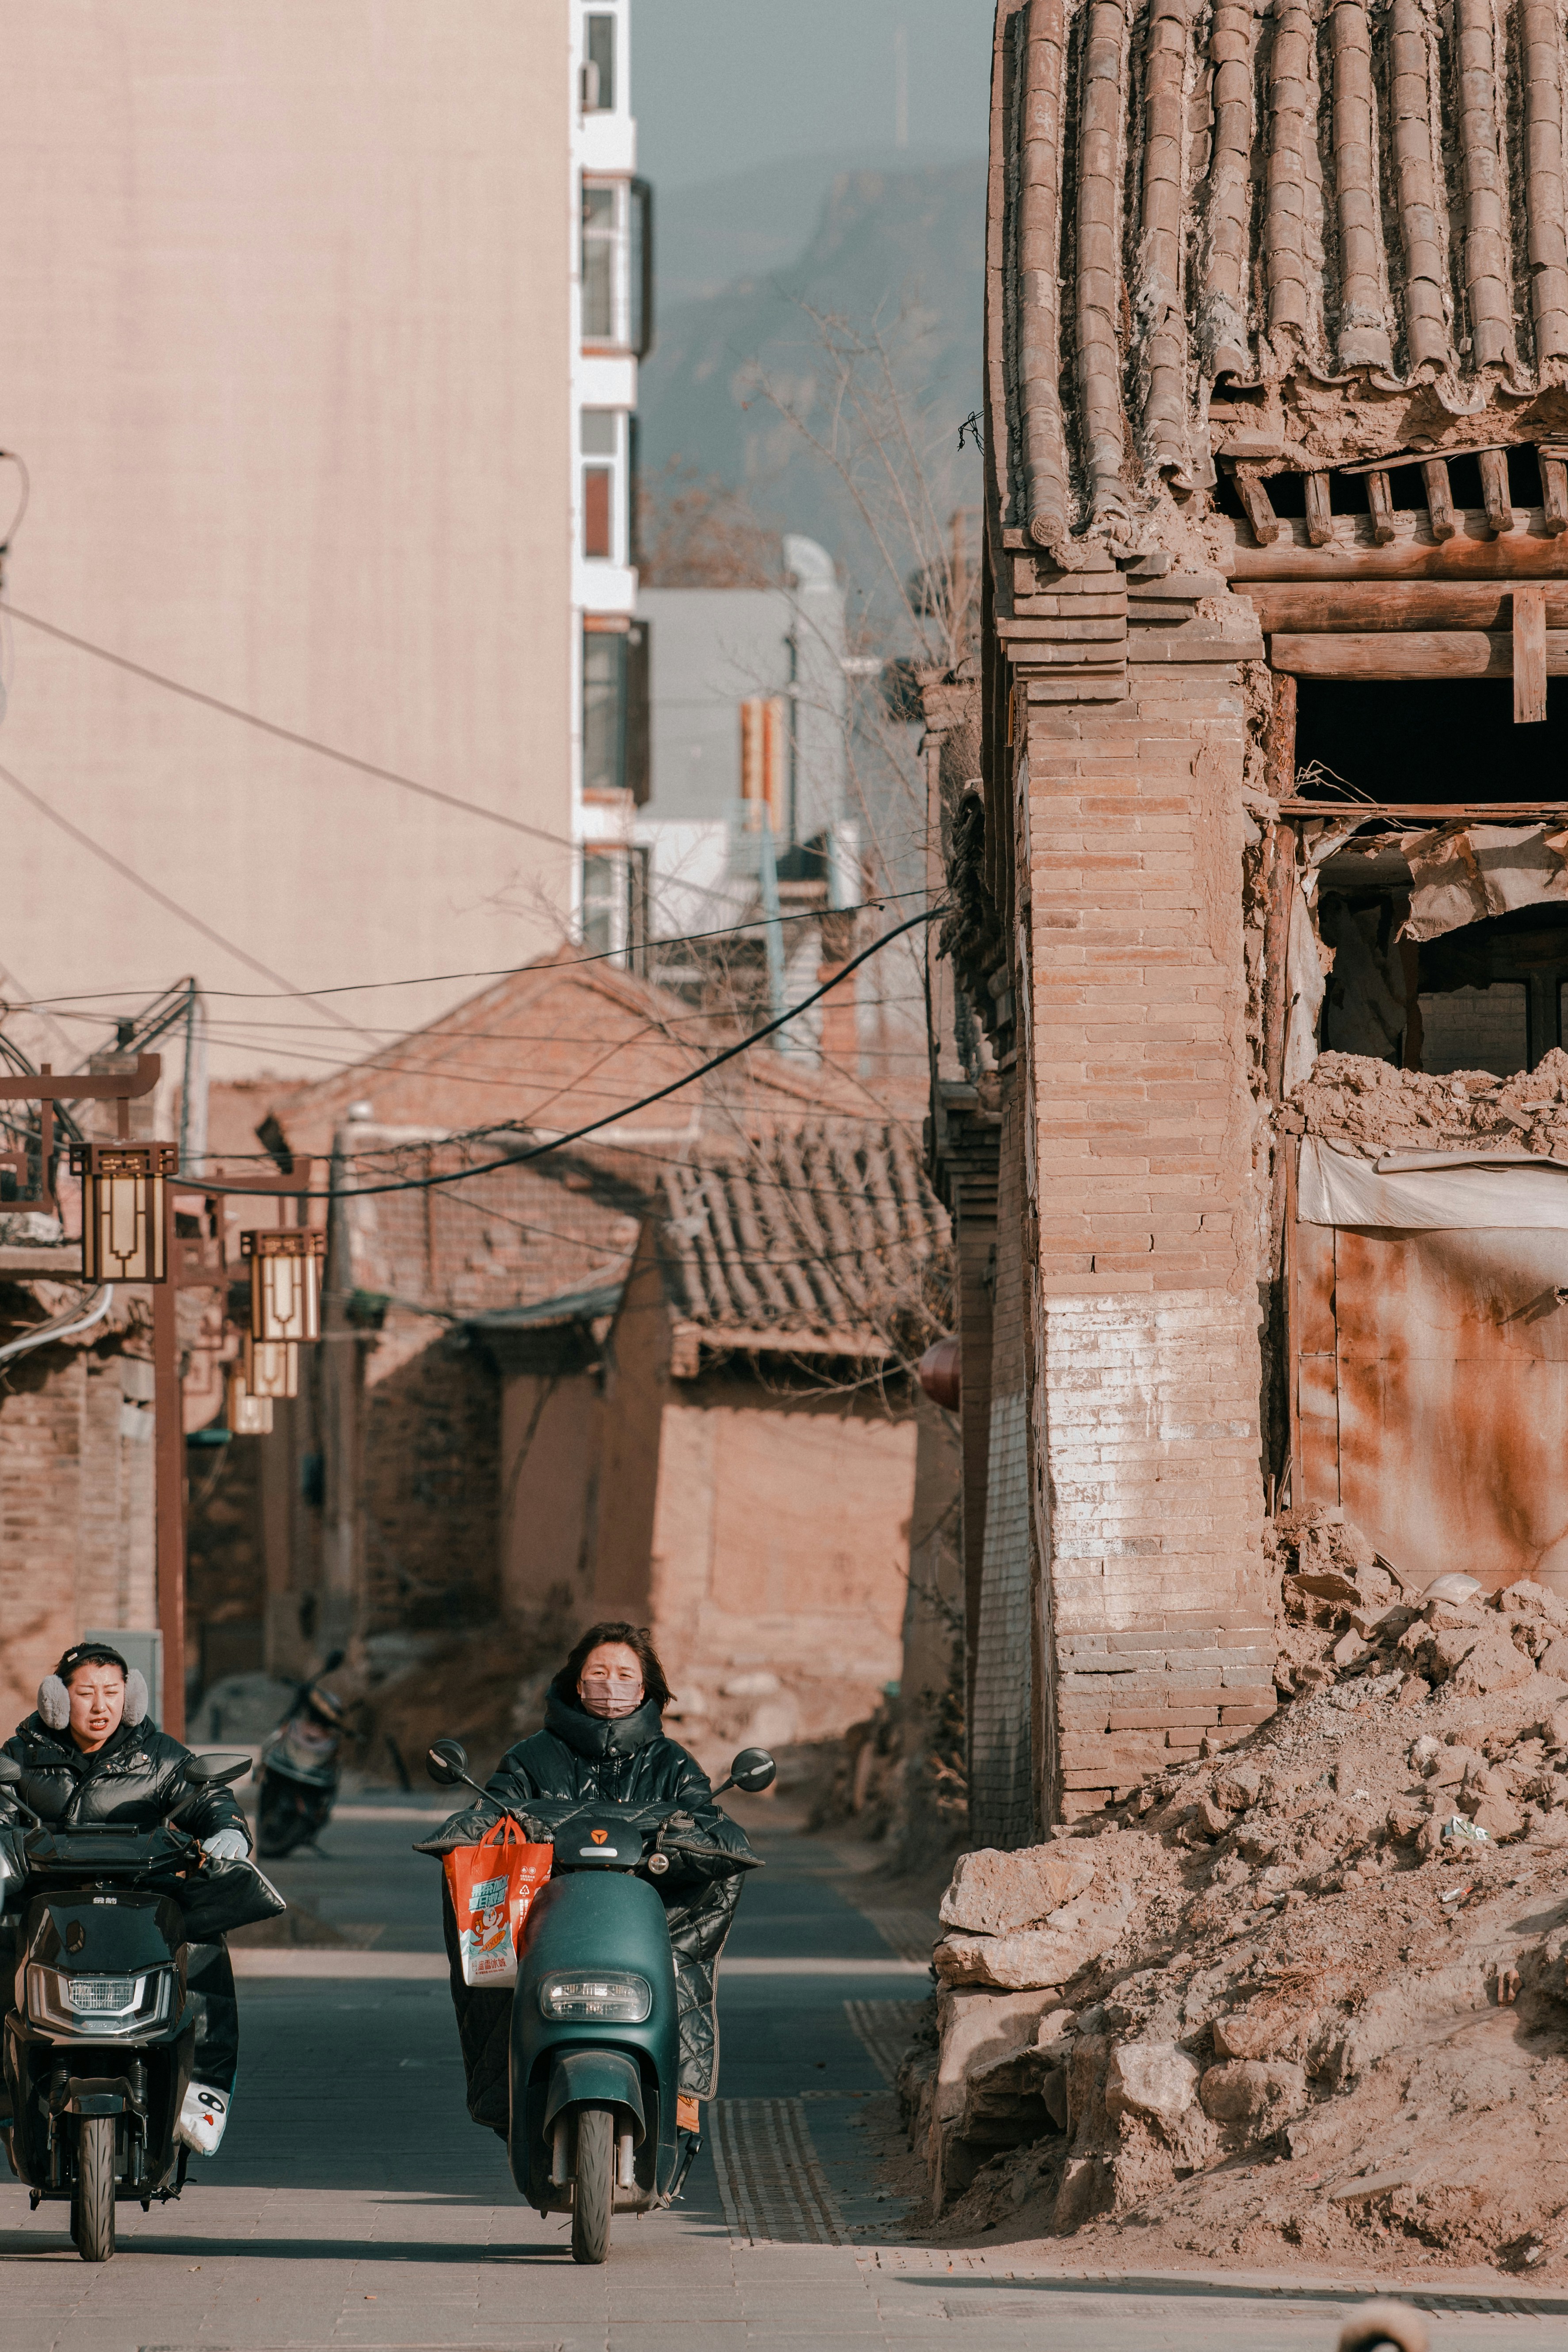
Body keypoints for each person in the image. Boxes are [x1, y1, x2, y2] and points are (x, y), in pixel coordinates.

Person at [426, 1619, 755, 2138]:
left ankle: (681, 2088)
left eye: (625, 1674)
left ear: (645, 1689)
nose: (611, 1683)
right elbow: (491, 1813)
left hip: (644, 1925)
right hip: (551, 1919)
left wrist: (682, 1848)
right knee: (495, 1961)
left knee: (681, 1964)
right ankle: (511, 2090)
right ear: (577, 1683)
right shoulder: (529, 1757)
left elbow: (711, 1827)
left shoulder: (673, 1763)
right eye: (598, 1672)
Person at [0, 1641, 252, 2156]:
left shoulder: (158, 1754)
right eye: (86, 1692)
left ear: (130, 1697)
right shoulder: (22, 1755)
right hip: (45, 1904)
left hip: (142, 1905)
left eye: (112, 1692)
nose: (100, 1706)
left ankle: (202, 2089)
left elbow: (209, 1798)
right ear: (56, 1697)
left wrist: (229, 1831)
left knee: (204, 1939)